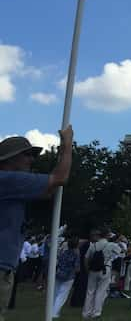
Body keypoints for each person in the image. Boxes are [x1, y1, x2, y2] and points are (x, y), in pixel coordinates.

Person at [0, 126, 73, 321]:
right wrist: (67, 146)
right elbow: (60, 178)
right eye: (27, 155)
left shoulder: (10, 184)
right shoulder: (8, 180)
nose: (32, 160)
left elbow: (48, 191)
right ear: (9, 159)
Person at [83, 229, 118, 319]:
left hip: (93, 269)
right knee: (101, 291)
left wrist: (87, 269)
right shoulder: (111, 245)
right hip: (105, 269)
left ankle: (86, 313)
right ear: (107, 236)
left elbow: (86, 258)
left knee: (90, 291)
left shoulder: (93, 245)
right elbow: (121, 252)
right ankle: (96, 312)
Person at [52, 237, 80, 319]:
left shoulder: (63, 253)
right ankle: (54, 312)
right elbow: (77, 268)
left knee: (55, 293)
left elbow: (58, 262)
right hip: (69, 276)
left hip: (59, 274)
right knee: (62, 295)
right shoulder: (76, 254)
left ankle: (51, 310)